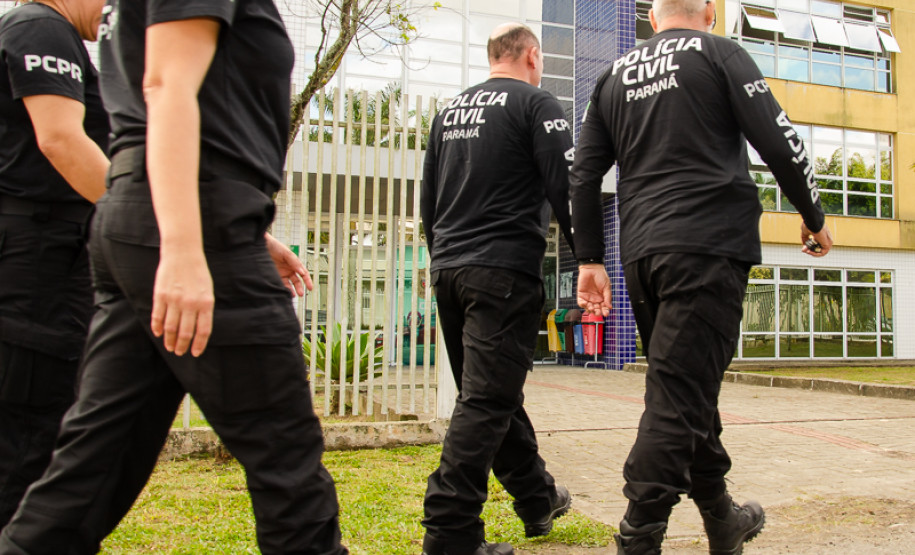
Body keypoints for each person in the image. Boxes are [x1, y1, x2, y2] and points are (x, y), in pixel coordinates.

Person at [0, 1, 347, 553]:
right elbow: (165, 88)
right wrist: (184, 248)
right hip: (194, 226)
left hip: (144, 217)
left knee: (90, 469)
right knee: (285, 454)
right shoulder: (44, 24)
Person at [570, 0, 833, 553]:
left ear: (652, 16)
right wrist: (812, 216)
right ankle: (637, 536)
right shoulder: (720, 52)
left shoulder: (612, 76)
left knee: (685, 390)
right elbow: (779, 139)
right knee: (676, 396)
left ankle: (721, 518)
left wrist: (590, 259)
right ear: (710, 11)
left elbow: (584, 173)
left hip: (642, 256)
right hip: (708, 247)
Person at [419, 22, 575, 555]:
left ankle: (537, 498)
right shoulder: (537, 104)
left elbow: (428, 202)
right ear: (532, 55)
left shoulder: (448, 113)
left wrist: (442, 258)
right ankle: (450, 532)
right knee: (487, 400)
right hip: (502, 272)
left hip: (450, 269)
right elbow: (566, 187)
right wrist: (590, 259)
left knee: (490, 394)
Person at [0, 0, 109, 529]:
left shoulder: (61, 38)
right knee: (29, 439)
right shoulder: (40, 26)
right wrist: (151, 223)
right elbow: (62, 140)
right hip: (38, 261)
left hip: (54, 255)